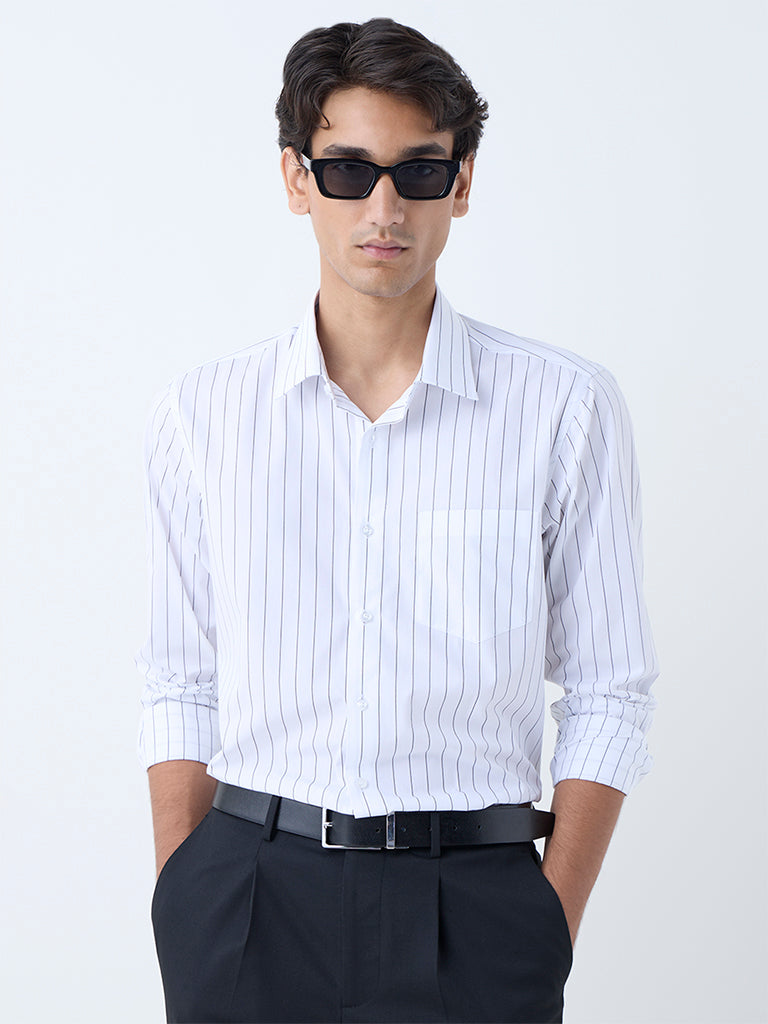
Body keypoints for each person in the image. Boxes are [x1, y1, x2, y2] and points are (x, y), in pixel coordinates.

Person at [136, 17, 658, 1024]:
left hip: (477, 904)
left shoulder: (565, 408)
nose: (384, 208)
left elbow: (609, 689)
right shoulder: (202, 415)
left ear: (461, 184)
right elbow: (180, 678)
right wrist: (184, 900)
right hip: (249, 899)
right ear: (296, 180)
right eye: (347, 171)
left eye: (419, 171)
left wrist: (546, 921)